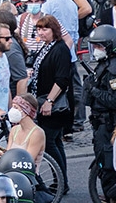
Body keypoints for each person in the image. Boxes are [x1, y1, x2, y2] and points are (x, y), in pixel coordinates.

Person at [26, 15, 72, 194]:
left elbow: (62, 79)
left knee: (50, 142)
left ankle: (60, 181)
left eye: (45, 29)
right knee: (56, 142)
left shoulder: (60, 49)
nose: (41, 32)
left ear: (54, 31)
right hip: (44, 99)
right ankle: (62, 180)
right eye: (39, 29)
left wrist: (49, 101)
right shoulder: (46, 47)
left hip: (54, 104)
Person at [86, 24, 116, 190]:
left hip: (110, 124)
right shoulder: (107, 62)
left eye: (99, 46)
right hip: (102, 123)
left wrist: (93, 90)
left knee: (108, 167)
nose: (95, 50)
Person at [5, 95, 45, 162]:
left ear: (26, 111)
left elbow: (28, 160)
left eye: (16, 107)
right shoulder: (14, 130)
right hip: (11, 170)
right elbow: (8, 154)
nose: (12, 110)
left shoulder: (37, 133)